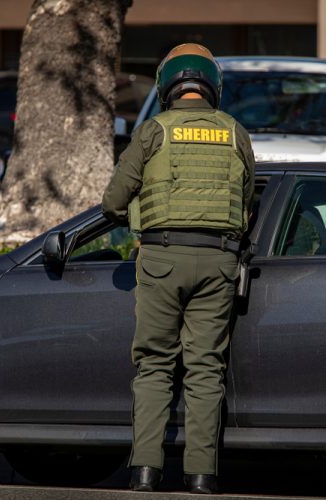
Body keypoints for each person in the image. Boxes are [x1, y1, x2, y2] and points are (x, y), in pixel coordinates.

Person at [102, 43, 255, 494]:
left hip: (162, 259)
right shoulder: (234, 132)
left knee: (154, 366)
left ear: (168, 85)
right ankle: (201, 477)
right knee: (206, 368)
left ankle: (146, 472)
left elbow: (112, 202)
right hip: (219, 260)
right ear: (213, 86)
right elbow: (247, 202)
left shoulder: (153, 131)